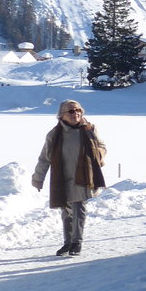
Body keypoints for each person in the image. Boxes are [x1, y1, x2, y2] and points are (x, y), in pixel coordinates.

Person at [32, 100, 106, 256]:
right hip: (62, 177)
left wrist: (97, 155)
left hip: (83, 176)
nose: (76, 113)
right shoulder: (54, 134)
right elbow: (44, 158)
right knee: (66, 210)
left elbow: (102, 146)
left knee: (79, 207)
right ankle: (67, 243)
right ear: (62, 115)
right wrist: (38, 178)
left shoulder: (89, 129)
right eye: (71, 111)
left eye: (78, 110)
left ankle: (76, 242)